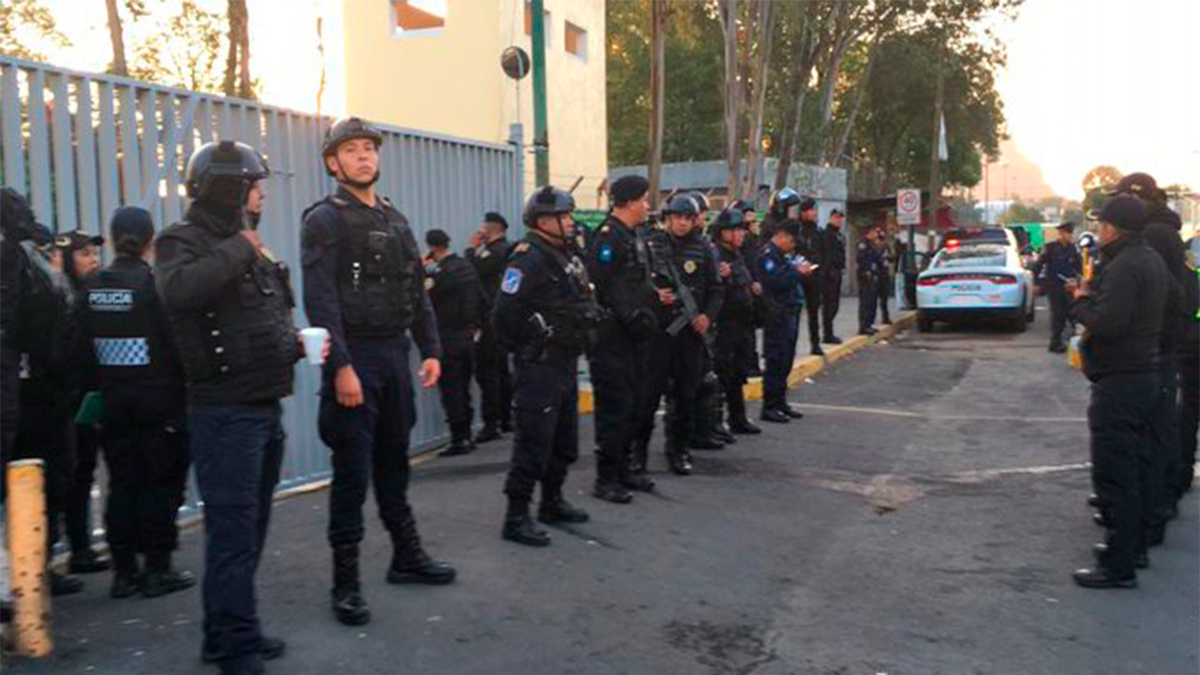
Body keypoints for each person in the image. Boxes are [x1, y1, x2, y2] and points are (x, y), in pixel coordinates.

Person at [301, 117, 456, 628]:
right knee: (351, 474)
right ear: (333, 162)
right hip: (356, 359)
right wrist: (341, 366)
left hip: (394, 357)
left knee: (395, 463)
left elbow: (416, 292)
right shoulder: (324, 219)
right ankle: (344, 584)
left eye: (370, 148)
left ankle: (406, 557)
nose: (364, 156)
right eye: (352, 150)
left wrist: (429, 349)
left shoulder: (396, 219)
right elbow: (321, 300)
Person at [156, 140, 295, 674]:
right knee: (233, 535)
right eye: (253, 185)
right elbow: (179, 292)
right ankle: (236, 648)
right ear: (230, 189)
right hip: (224, 412)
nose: (260, 195)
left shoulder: (242, 243)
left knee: (250, 527)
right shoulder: (181, 242)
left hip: (262, 404)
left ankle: (228, 632)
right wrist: (240, 247)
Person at [85, 206, 193, 599]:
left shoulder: (92, 285)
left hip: (114, 402)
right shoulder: (154, 286)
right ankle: (157, 569)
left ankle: (124, 572)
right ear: (151, 241)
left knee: (122, 483)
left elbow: (80, 348)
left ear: (113, 239)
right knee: (159, 484)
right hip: (159, 400)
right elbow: (176, 344)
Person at [1067, 195, 1169, 589]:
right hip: (1144, 375)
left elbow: (1107, 323)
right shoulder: (1150, 260)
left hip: (1122, 381)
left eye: (1103, 223)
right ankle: (1132, 547)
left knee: (1116, 473)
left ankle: (1118, 562)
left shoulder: (1126, 266)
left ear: (1114, 227)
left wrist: (1081, 302)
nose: (1100, 229)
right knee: (1137, 468)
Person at [493, 186, 600, 546]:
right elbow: (503, 316)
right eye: (564, 216)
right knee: (533, 442)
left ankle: (552, 501)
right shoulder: (527, 258)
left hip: (565, 360)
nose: (570, 222)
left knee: (563, 440)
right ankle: (516, 515)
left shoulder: (565, 253)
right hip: (539, 365)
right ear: (542, 220)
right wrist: (527, 348)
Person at [1107, 173, 1188, 530]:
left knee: (1147, 437)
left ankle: (1148, 514)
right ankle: (1150, 508)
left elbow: (1168, 296)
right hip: (1158, 348)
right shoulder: (1161, 233)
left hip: (1149, 352)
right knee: (1156, 431)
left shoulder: (1151, 239)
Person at [584, 175, 659, 503]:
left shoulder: (634, 235)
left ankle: (625, 467)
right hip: (612, 336)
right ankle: (606, 478)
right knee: (614, 407)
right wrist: (628, 314)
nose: (647, 205)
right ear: (628, 201)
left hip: (635, 336)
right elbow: (600, 285)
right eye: (644, 199)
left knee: (634, 404)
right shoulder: (608, 236)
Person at [640, 194, 723, 474]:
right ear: (668, 218)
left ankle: (679, 450)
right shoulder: (652, 246)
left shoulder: (703, 249)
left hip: (690, 335)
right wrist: (653, 295)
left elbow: (715, 290)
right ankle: (637, 454)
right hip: (659, 333)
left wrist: (706, 316)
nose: (682, 223)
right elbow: (634, 283)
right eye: (677, 217)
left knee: (686, 396)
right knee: (648, 396)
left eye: (688, 218)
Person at [53, 230, 113, 576]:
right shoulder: (62, 296)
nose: (93, 258)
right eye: (84, 253)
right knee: (73, 474)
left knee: (84, 470)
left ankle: (82, 547)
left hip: (90, 397)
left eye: (94, 252)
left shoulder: (93, 295)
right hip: (68, 401)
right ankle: (78, 547)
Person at [424, 228, 487, 457]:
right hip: (467, 336)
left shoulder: (439, 275)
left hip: (447, 336)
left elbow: (425, 300)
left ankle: (459, 438)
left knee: (451, 390)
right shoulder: (465, 266)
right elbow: (481, 298)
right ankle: (467, 435)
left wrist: (423, 271)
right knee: (464, 387)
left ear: (432, 247)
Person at [711, 208, 761, 436]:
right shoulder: (716, 255)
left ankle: (738, 417)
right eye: (735, 230)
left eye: (741, 230)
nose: (741, 234)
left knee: (738, 372)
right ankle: (717, 421)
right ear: (723, 233)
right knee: (723, 372)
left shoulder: (737, 255)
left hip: (743, 323)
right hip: (725, 324)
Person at [758, 220, 813, 423]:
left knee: (786, 360)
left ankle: (780, 402)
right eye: (791, 240)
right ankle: (769, 406)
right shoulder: (768, 256)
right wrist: (797, 272)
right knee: (775, 360)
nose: (793, 245)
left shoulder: (782, 256)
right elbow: (776, 281)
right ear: (780, 236)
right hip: (777, 314)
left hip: (790, 312)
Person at [467, 212, 514, 444]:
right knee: (501, 369)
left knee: (489, 371)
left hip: (489, 316)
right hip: (499, 315)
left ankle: (491, 423)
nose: (480, 232)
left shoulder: (497, 251)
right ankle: (505, 418)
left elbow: (473, 271)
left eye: (484, 228)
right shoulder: (502, 250)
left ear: (492, 229)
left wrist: (471, 249)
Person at [1035, 222, 1083, 353]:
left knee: (1072, 312)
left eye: (1070, 234)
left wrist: (1080, 280)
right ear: (1061, 233)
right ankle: (1055, 342)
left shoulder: (1073, 248)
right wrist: (1037, 283)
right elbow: (1038, 265)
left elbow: (1079, 267)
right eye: (1067, 233)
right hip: (1054, 286)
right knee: (1058, 315)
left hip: (1069, 286)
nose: (1069, 236)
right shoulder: (1050, 248)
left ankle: (1073, 341)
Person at [796, 198, 825, 355]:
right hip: (799, 275)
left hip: (815, 276)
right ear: (803, 212)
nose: (813, 213)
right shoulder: (797, 230)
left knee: (814, 311)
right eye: (810, 210)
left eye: (814, 210)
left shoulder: (818, 231)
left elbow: (823, 253)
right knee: (795, 311)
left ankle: (815, 343)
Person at [820, 209, 847, 344]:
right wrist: (827, 271)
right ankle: (827, 333)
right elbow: (827, 255)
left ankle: (829, 332)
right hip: (829, 274)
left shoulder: (838, 235)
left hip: (836, 272)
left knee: (834, 305)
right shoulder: (827, 234)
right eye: (836, 218)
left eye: (840, 218)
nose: (839, 220)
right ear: (830, 218)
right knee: (829, 305)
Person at [857, 228, 883, 336]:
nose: (876, 235)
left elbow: (877, 259)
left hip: (874, 275)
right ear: (869, 233)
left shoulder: (872, 245)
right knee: (866, 301)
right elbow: (862, 259)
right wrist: (867, 271)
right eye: (874, 233)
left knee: (872, 301)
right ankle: (864, 326)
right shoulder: (863, 245)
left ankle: (870, 324)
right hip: (865, 276)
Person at [874, 227, 893, 325]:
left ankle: (885, 317)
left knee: (884, 298)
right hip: (875, 274)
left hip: (884, 273)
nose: (880, 242)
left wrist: (887, 258)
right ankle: (870, 320)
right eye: (879, 239)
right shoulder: (872, 248)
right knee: (872, 299)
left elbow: (891, 258)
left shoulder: (886, 247)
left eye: (882, 239)